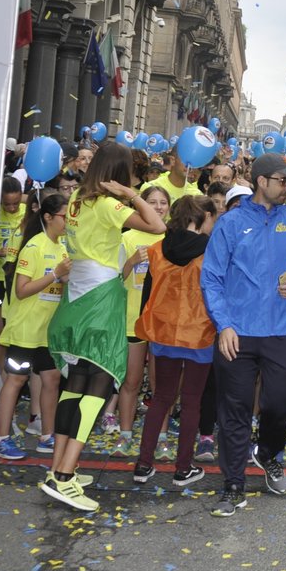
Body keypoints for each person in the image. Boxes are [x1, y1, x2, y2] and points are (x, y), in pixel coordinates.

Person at [43, 143, 167, 512]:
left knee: (76, 384)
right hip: (99, 301)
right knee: (97, 386)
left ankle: (58, 469)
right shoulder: (108, 203)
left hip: (77, 299)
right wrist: (130, 195)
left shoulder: (79, 198)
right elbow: (158, 225)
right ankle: (65, 476)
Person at [200, 154, 286, 517]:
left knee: (280, 404)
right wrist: (224, 325)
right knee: (233, 409)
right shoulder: (231, 223)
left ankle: (267, 454)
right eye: (284, 180)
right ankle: (233, 484)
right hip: (238, 331)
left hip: (283, 329)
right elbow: (212, 278)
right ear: (262, 181)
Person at [130, 194, 217, 489]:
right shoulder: (212, 251)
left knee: (162, 398)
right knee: (192, 402)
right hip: (200, 333)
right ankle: (183, 468)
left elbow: (147, 296)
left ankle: (143, 464)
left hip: (163, 332)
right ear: (197, 219)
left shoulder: (156, 249)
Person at [0, 192, 69, 460]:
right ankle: (1, 439)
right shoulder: (34, 247)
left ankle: (47, 436)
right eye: (63, 215)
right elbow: (22, 290)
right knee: (16, 379)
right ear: (48, 217)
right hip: (25, 330)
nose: (68, 220)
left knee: (52, 378)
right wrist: (55, 275)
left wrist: (66, 278)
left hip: (47, 331)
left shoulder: (61, 247)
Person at [112, 183, 170, 454]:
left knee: (162, 385)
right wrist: (132, 261)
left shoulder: (171, 238)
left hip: (162, 323)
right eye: (153, 202)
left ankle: (161, 436)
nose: (158, 207)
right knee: (131, 381)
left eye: (163, 203)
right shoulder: (126, 238)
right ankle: (125, 434)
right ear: (141, 205)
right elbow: (113, 281)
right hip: (132, 320)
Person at [0, 178, 27, 372]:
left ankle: (17, 375)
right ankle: (3, 375)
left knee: (13, 330)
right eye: (7, 204)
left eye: (15, 203)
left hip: (18, 278)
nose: (12, 208)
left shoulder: (27, 213)